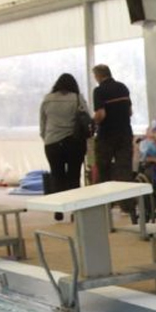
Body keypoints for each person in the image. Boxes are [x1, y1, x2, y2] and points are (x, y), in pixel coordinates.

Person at [39, 73, 88, 221]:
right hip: (74, 142)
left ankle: (58, 210)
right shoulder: (77, 98)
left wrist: (46, 138)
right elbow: (86, 118)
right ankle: (74, 210)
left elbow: (42, 123)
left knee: (56, 175)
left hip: (52, 143)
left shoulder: (47, 99)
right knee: (74, 175)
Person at [91, 64, 135, 216]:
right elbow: (130, 112)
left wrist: (93, 122)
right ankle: (127, 206)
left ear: (98, 76)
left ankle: (105, 204)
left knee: (104, 169)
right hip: (125, 133)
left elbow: (101, 114)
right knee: (124, 169)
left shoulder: (99, 90)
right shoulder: (123, 87)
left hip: (107, 135)